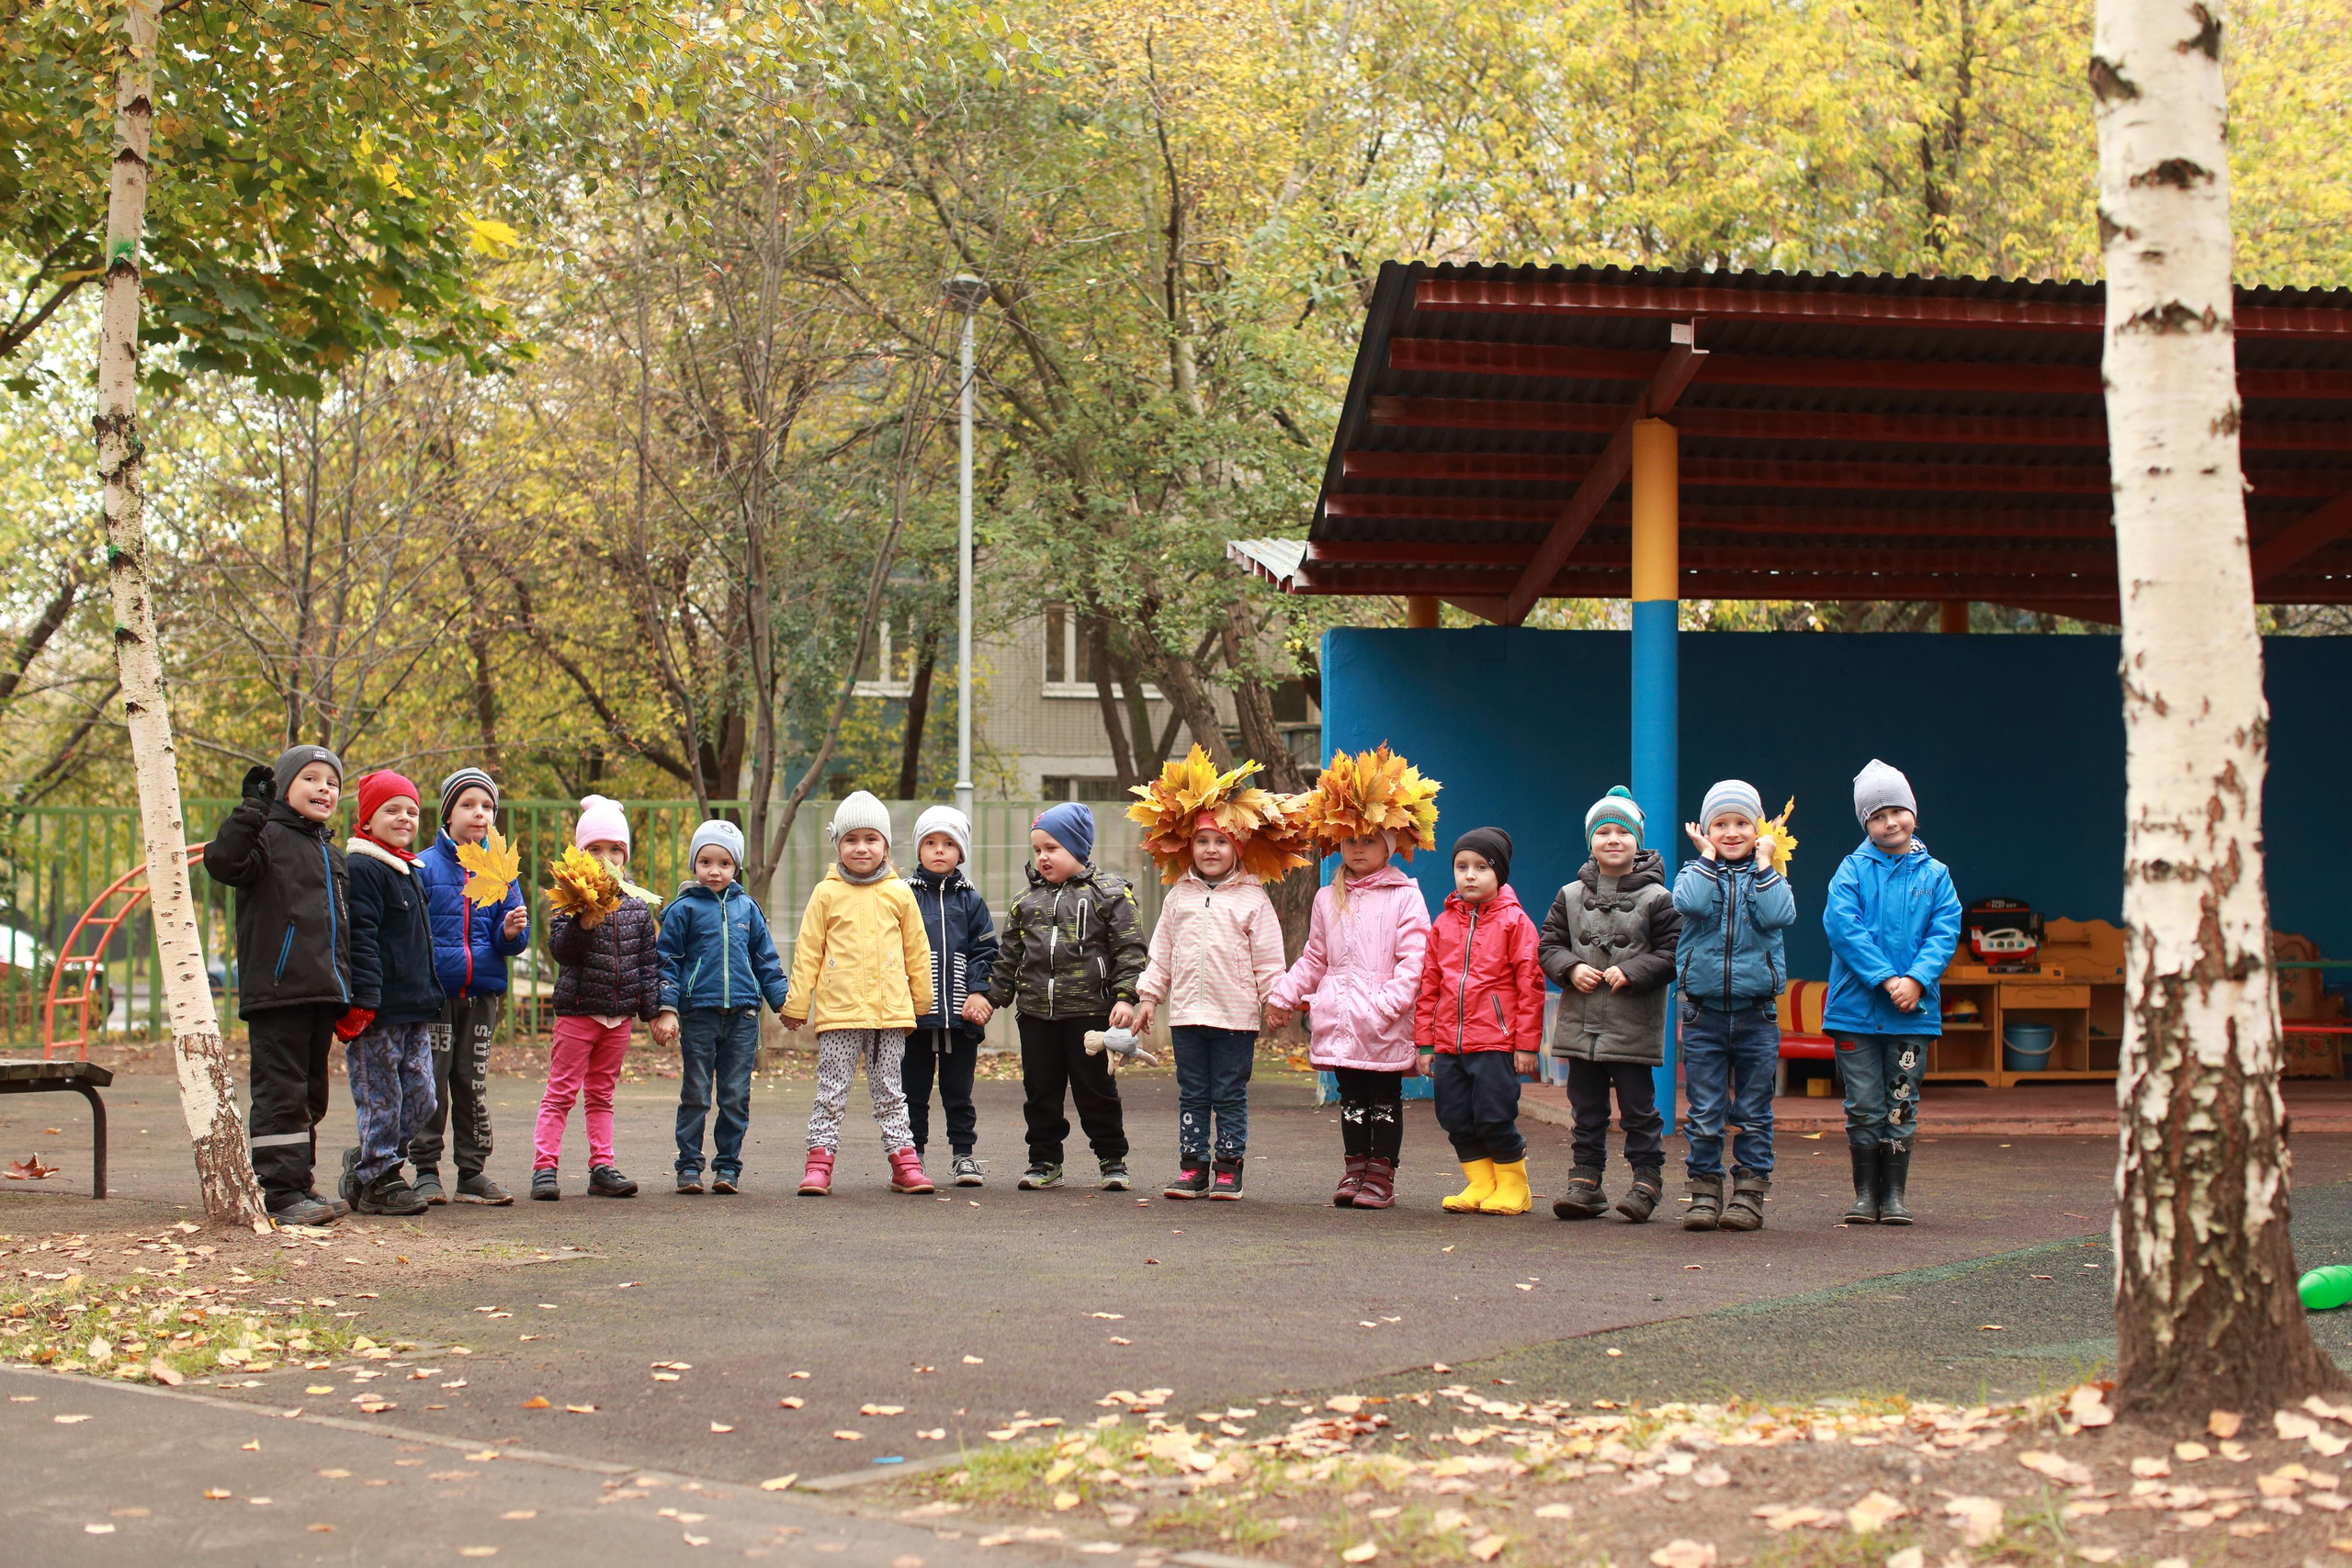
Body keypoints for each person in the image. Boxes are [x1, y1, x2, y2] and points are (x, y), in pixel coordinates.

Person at [1264, 744, 1440, 1210]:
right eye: (1349, 841)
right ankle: (1354, 1169)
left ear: (1390, 844)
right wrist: (1285, 995)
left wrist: (1388, 1005)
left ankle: (1381, 1175)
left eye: (1368, 840)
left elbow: (1415, 960)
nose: (1357, 849)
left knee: (1384, 1096)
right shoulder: (1327, 898)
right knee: (1351, 1098)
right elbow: (1314, 957)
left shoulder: (1405, 897)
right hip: (1339, 1018)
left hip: (1381, 1019)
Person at [1128, 750, 1298, 1202]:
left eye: (1221, 842)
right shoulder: (1178, 898)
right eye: (1202, 841)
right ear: (1190, 848)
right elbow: (1161, 953)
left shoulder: (1251, 900)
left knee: (1229, 1094)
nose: (1210, 850)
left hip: (1235, 1018)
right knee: (1193, 1095)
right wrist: (1148, 997)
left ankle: (1228, 1169)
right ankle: (1191, 1169)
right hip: (1187, 1016)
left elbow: (1268, 959)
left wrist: (1276, 999)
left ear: (1237, 849)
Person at [202, 745, 354, 1225]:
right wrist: (252, 811)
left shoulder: (330, 853)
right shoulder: (265, 836)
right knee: (281, 1093)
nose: (323, 789)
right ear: (286, 787)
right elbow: (222, 861)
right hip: (278, 989)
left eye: (331, 783)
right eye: (311, 778)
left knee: (311, 1097)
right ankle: (280, 1193)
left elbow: (342, 929)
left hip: (321, 992)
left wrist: (349, 989)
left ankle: (301, 1184)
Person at [972, 802, 1148, 1192]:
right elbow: (1008, 959)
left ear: (1078, 847)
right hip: (1036, 1014)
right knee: (1040, 1091)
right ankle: (1045, 1160)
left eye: (1052, 848)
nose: (1043, 857)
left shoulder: (1111, 894)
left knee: (1096, 1090)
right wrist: (990, 998)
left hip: (1090, 1013)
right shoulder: (1026, 901)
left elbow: (1131, 950)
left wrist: (1125, 997)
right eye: (1037, 850)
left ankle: (1112, 1159)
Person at [1823, 759, 1962, 1227]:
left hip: (1912, 1012)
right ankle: (1866, 1196)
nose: (1889, 822)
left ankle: (1895, 1195)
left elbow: (1944, 932)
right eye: (1877, 815)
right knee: (1863, 1101)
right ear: (1866, 823)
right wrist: (1887, 979)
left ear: (1913, 813)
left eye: (1897, 810)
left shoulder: (1936, 875)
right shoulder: (1851, 870)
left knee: (1901, 1099)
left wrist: (1917, 980)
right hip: (1855, 1012)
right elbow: (1844, 929)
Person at [1539, 786, 1681, 1224]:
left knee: (1638, 1107)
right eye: (1604, 832)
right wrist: (1569, 968)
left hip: (1632, 1022)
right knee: (1586, 1106)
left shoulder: (1659, 898)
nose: (1613, 839)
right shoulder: (1569, 894)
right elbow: (1549, 945)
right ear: (1591, 843)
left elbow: (1674, 952)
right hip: (1581, 1023)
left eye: (1623, 831)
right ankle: (1585, 1180)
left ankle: (1646, 1179)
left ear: (1638, 841)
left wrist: (1633, 971)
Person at [782, 792, 936, 1197]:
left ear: (886, 845)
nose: (861, 847)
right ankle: (819, 1165)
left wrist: (921, 1002)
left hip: (891, 1015)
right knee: (831, 1090)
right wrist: (797, 1004)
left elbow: (917, 951)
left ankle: (905, 1163)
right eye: (851, 839)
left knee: (890, 1090)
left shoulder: (900, 893)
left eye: (871, 838)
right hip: (840, 1015)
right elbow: (808, 951)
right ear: (838, 845)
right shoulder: (825, 893)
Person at [1675, 779, 1798, 1232]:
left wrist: (1765, 863)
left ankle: (1749, 1193)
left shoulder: (1771, 877)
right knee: (1705, 1110)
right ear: (1706, 830)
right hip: (1703, 1014)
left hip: (1756, 1014)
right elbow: (1687, 903)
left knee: (1753, 1110)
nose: (1731, 832)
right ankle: (1704, 1191)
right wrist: (1706, 858)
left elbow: (1778, 915)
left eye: (1742, 823)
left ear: (1758, 828)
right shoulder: (1694, 873)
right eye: (1720, 824)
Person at [651, 818, 791, 1193]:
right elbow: (667, 961)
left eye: (724, 863)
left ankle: (728, 1167)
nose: (715, 870)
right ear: (694, 864)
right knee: (696, 1092)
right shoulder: (683, 910)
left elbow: (766, 960)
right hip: (699, 1013)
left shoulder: (748, 908)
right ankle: (689, 1167)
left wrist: (783, 1004)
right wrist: (667, 1008)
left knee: (735, 1095)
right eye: (706, 862)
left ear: (736, 867)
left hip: (743, 1015)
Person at [534, 795, 662, 1201]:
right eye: (594, 850)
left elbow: (646, 964)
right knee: (560, 1092)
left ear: (624, 855)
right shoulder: (569, 903)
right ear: (581, 855)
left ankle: (602, 1166)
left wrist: (654, 1012)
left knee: (602, 1094)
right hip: (578, 1012)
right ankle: (544, 1168)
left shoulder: (638, 908)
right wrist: (583, 923)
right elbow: (561, 952)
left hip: (618, 1017)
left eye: (614, 850)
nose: (605, 858)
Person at [1414, 826, 1546, 1216]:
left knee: (1493, 1115)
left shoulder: (1515, 922)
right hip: (1449, 1045)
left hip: (1495, 1041)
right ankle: (1481, 1182)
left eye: (1481, 867)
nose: (1469, 875)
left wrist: (1525, 1044)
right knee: (1453, 1115)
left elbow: (1531, 984)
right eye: (1461, 866)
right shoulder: (1443, 924)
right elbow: (1430, 986)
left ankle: (1512, 1186)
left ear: (1499, 873)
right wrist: (1425, 1043)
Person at [411, 767, 527, 1205]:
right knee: (431, 1081)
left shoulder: (501, 871)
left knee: (471, 1081)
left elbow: (508, 937)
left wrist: (513, 931)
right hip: (436, 996)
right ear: (447, 813)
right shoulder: (423, 866)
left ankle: (472, 1171)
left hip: (482, 995)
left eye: (488, 807)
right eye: (469, 805)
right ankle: (425, 1169)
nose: (480, 814)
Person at [335, 770, 441, 1218]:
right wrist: (363, 1000)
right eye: (391, 810)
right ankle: (379, 1176)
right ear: (367, 818)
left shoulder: (407, 868)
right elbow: (361, 937)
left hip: (414, 1006)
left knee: (423, 1097)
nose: (404, 818)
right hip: (376, 1010)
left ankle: (366, 1164)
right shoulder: (362, 868)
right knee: (382, 1097)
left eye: (412, 811)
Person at [903, 804, 998, 1188]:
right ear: (919, 850)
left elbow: (986, 951)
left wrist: (978, 992)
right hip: (914, 1018)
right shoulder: (902, 896)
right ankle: (913, 1159)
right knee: (913, 1092)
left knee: (958, 1092)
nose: (939, 850)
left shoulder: (971, 901)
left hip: (961, 1019)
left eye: (948, 843)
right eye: (930, 842)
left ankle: (964, 1157)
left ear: (961, 852)